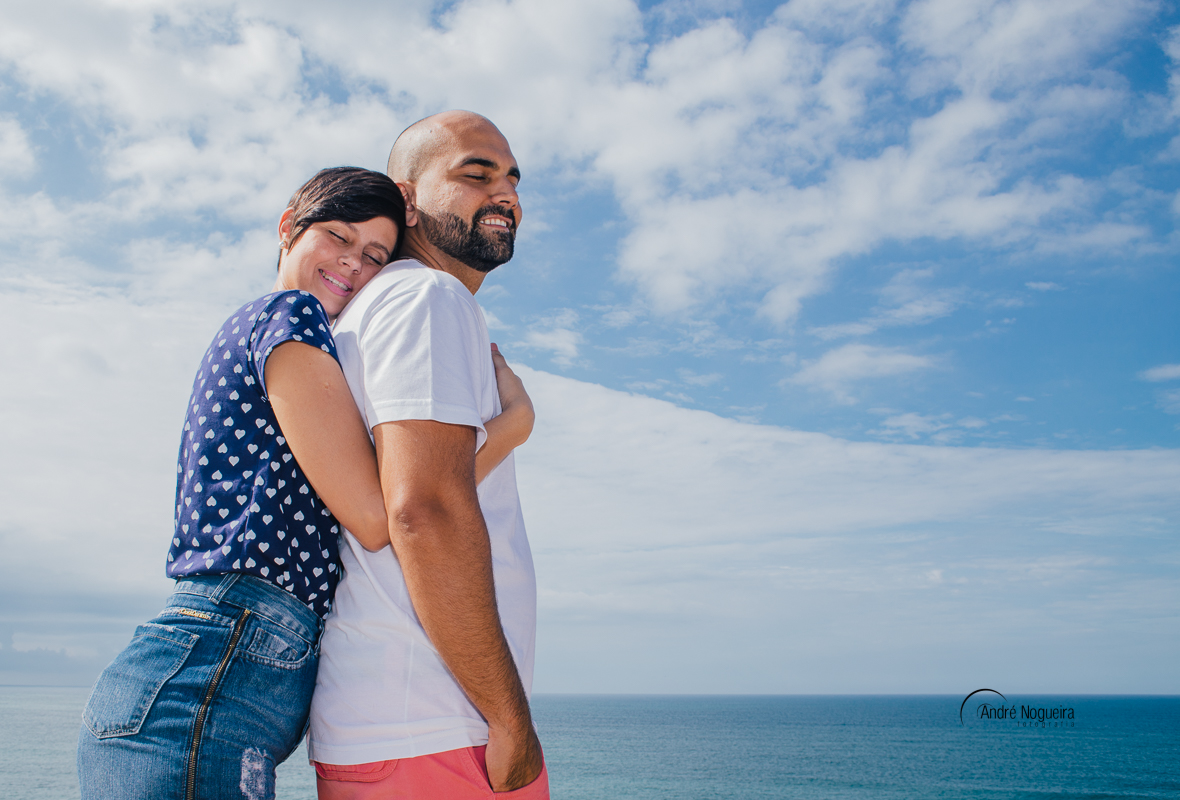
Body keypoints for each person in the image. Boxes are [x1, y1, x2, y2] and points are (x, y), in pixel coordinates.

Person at [76, 166, 536, 800]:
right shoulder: (287, 316)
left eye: (375, 255)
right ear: (289, 225)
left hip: (212, 671)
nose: (352, 265)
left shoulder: (277, 329)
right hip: (213, 671)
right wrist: (508, 429)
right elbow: (381, 516)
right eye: (337, 238)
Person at [307, 111, 548, 799]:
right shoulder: (426, 297)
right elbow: (425, 508)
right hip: (439, 734)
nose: (504, 194)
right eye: (475, 174)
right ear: (406, 198)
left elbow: (398, 498)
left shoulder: (375, 308)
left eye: (511, 179)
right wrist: (509, 719)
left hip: (397, 729)